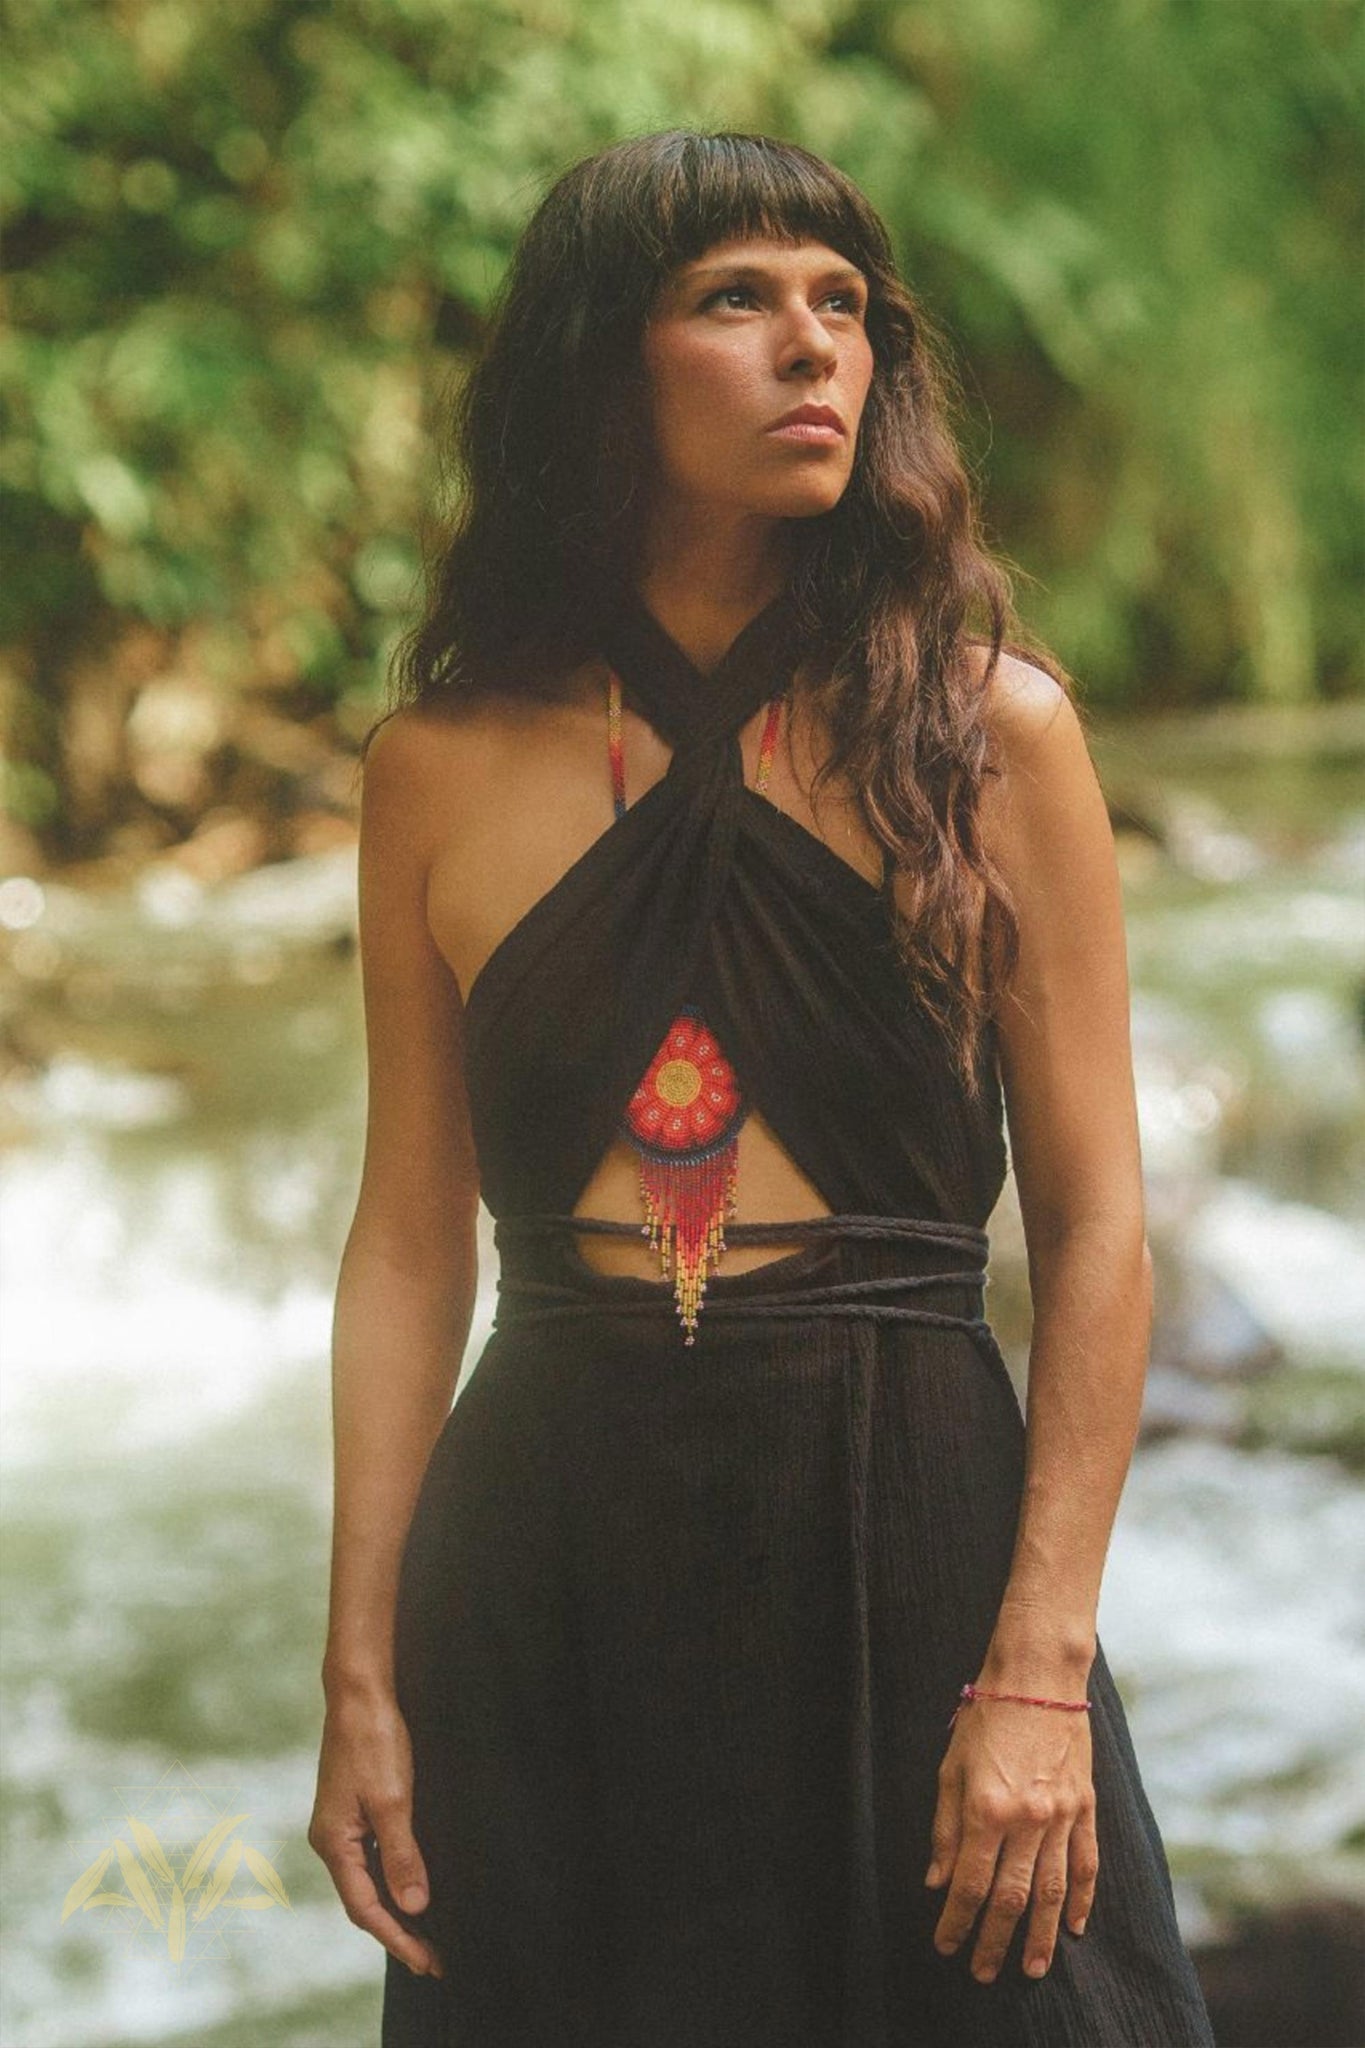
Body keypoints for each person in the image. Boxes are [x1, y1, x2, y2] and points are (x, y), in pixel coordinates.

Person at [308, 128, 1216, 2047]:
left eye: (844, 307)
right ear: (597, 365)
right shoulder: (439, 767)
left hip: (911, 1503)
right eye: (736, 298)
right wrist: (361, 1669)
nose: (816, 346)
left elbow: (1096, 1222)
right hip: (545, 1534)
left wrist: (1039, 1665)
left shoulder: (993, 734)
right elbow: (404, 1248)